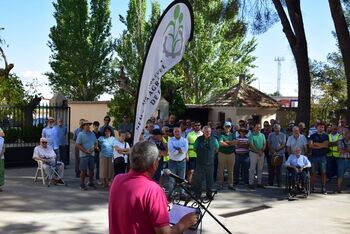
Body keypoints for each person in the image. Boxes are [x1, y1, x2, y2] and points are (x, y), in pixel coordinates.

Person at [109, 141, 197, 234]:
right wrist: (184, 223)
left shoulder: (117, 180)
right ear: (154, 164)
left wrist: (158, 202)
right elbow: (165, 233)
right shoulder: (153, 189)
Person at [192, 126, 219, 199]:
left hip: (210, 163)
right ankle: (198, 194)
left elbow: (217, 149)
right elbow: (195, 148)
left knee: (210, 179)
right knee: (199, 179)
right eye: (206, 131)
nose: (208, 133)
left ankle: (209, 194)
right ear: (203, 132)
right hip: (200, 163)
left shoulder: (214, 139)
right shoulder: (198, 139)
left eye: (209, 131)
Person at [76, 120, 98, 190]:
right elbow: (77, 145)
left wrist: (94, 148)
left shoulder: (92, 134)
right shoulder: (80, 134)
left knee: (92, 170)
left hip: (92, 154)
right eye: (86, 125)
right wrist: (85, 151)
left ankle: (90, 182)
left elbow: (96, 143)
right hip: (83, 155)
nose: (88, 126)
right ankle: (82, 184)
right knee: (83, 170)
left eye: (89, 125)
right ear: (83, 126)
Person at [309, 122, 329, 194]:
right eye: (320, 127)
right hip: (314, 157)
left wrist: (316, 144)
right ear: (317, 128)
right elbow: (310, 145)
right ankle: (312, 187)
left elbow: (326, 145)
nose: (321, 128)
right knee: (313, 173)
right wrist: (321, 145)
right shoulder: (312, 136)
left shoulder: (326, 136)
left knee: (323, 173)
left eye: (323, 127)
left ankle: (323, 188)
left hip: (323, 157)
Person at [167, 127, 188, 195]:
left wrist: (177, 149)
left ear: (181, 132)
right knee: (171, 179)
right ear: (173, 132)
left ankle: (182, 194)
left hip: (182, 162)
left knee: (182, 179)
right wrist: (180, 150)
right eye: (175, 131)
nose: (177, 133)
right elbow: (171, 150)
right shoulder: (170, 140)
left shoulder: (185, 140)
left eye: (178, 131)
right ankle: (171, 194)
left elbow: (185, 149)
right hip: (172, 162)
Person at [218, 121, 237, 190]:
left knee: (231, 170)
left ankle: (230, 185)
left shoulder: (233, 134)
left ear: (231, 127)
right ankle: (220, 184)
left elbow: (235, 142)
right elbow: (221, 143)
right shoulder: (221, 135)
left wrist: (227, 142)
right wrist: (230, 144)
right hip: (222, 154)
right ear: (224, 127)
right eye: (226, 126)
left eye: (229, 126)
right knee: (221, 170)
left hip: (231, 154)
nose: (228, 128)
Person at [248, 123, 266, 189]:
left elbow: (264, 144)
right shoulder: (251, 135)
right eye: (257, 127)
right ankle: (251, 183)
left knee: (260, 169)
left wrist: (261, 151)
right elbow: (251, 145)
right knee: (252, 169)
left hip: (261, 154)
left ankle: (259, 183)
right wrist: (258, 151)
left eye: (259, 127)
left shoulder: (262, 135)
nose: (258, 128)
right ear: (254, 128)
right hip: (253, 153)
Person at [186, 121, 203, 185]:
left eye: (198, 125)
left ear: (200, 126)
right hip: (191, 155)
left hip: (200, 156)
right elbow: (186, 145)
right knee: (191, 171)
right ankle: (189, 184)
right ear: (193, 126)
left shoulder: (203, 134)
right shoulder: (189, 134)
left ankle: (197, 185)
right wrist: (186, 154)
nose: (197, 126)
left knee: (198, 171)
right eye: (195, 125)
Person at [337, 128, 350, 193]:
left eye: (347, 133)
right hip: (341, 159)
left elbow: (343, 150)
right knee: (340, 175)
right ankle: (339, 189)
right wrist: (347, 149)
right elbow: (340, 151)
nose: (346, 135)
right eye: (344, 133)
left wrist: (344, 149)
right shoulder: (340, 141)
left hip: (349, 159)